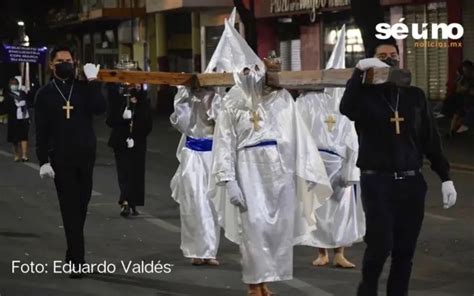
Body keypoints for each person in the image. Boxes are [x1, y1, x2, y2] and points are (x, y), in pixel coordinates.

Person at [211, 20, 332, 296]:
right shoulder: (232, 102)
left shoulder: (281, 99)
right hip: (248, 170)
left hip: (279, 171)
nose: (251, 75)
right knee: (253, 227)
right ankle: (254, 284)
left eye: (255, 69)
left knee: (275, 227)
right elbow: (225, 142)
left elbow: (297, 135)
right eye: (245, 70)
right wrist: (228, 180)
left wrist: (307, 170)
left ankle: (266, 281)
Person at [339, 41, 458, 296]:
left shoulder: (414, 96)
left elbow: (429, 138)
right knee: (380, 246)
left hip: (412, 183)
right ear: (373, 60)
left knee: (405, 251)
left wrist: (445, 176)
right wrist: (359, 72)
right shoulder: (365, 96)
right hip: (377, 182)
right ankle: (367, 291)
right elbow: (345, 108)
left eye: (393, 55)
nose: (389, 60)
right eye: (382, 56)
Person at [296, 25, 365, 269]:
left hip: (340, 162)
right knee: (318, 208)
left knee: (341, 208)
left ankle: (340, 253)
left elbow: (353, 136)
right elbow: (298, 130)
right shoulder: (309, 100)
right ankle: (321, 252)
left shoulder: (349, 101)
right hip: (315, 162)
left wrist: (351, 169)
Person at [35, 45, 105, 278]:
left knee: (81, 207)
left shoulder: (84, 88)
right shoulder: (45, 94)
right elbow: (41, 130)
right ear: (52, 65)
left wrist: (94, 81)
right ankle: (77, 261)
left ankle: (72, 251)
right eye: (60, 60)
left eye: (69, 60)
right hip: (61, 158)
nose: (65, 64)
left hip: (85, 156)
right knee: (70, 209)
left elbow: (99, 109)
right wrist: (42, 160)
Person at [106, 82, 152, 217]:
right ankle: (125, 201)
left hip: (137, 142)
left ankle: (133, 202)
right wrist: (122, 116)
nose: (134, 87)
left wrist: (137, 133)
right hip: (121, 140)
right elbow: (110, 120)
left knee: (136, 173)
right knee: (124, 172)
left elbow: (148, 123)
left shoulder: (143, 101)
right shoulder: (119, 99)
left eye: (137, 84)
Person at [0, 78, 31, 161]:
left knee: (24, 137)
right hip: (14, 120)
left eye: (16, 84)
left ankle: (24, 155)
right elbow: (4, 109)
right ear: (10, 86)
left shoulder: (23, 93)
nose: (14, 85)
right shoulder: (8, 96)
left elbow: (29, 102)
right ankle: (16, 155)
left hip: (24, 118)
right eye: (12, 84)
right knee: (15, 139)